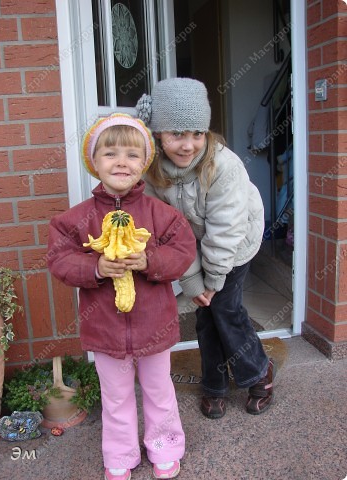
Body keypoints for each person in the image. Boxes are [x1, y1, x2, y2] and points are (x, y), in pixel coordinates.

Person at [47, 113, 197, 480]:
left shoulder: (160, 214)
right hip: (103, 327)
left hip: (155, 325)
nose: (121, 162)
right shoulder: (76, 220)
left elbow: (183, 252)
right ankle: (121, 453)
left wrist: (150, 260)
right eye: (110, 153)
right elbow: (59, 259)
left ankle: (165, 446)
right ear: (94, 162)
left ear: (143, 162)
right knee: (115, 396)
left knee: (159, 390)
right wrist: (95, 269)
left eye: (132, 155)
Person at [136, 78, 276, 419]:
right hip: (194, 244)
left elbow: (225, 229)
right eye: (177, 134)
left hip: (235, 242)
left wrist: (211, 280)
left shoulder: (223, 166)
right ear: (157, 134)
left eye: (197, 133)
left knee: (224, 309)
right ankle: (214, 385)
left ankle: (260, 374)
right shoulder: (151, 172)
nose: (188, 145)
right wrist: (193, 283)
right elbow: (166, 232)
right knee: (204, 315)